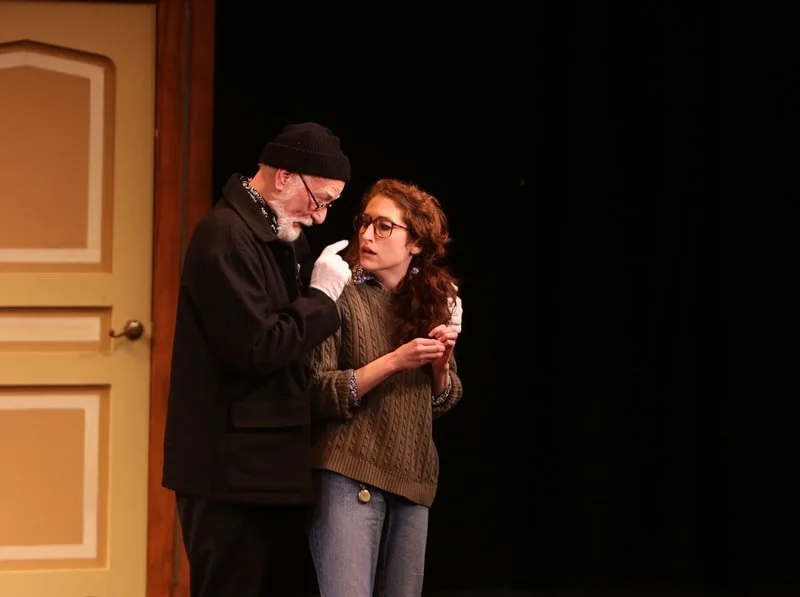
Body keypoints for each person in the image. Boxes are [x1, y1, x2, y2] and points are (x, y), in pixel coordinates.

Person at [161, 122, 354, 597]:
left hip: (264, 466)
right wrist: (321, 297)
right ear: (285, 176)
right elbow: (258, 347)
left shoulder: (275, 235)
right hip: (229, 470)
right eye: (320, 199)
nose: (321, 216)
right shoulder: (225, 236)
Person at [305, 178, 465, 597]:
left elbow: (442, 401)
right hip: (349, 473)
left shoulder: (432, 301)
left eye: (383, 226)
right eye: (364, 223)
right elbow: (318, 391)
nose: (366, 235)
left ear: (415, 243)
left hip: (412, 481)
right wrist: (396, 361)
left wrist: (442, 366)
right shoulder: (341, 292)